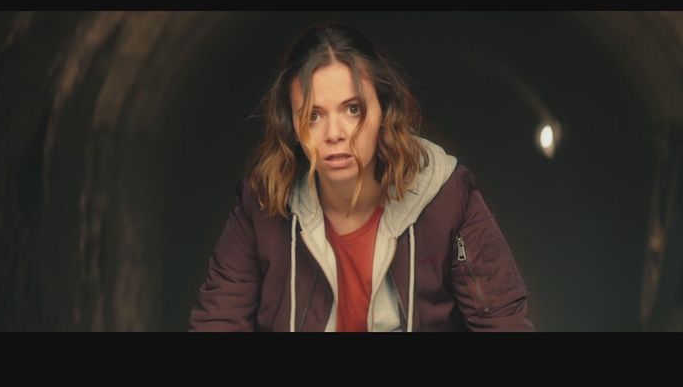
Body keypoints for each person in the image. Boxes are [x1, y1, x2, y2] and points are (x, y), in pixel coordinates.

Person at [188, 20, 535, 332]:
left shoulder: (447, 196)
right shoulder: (262, 203)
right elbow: (218, 321)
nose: (334, 134)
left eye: (352, 109)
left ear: (384, 110)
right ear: (291, 124)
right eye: (313, 116)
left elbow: (502, 322)